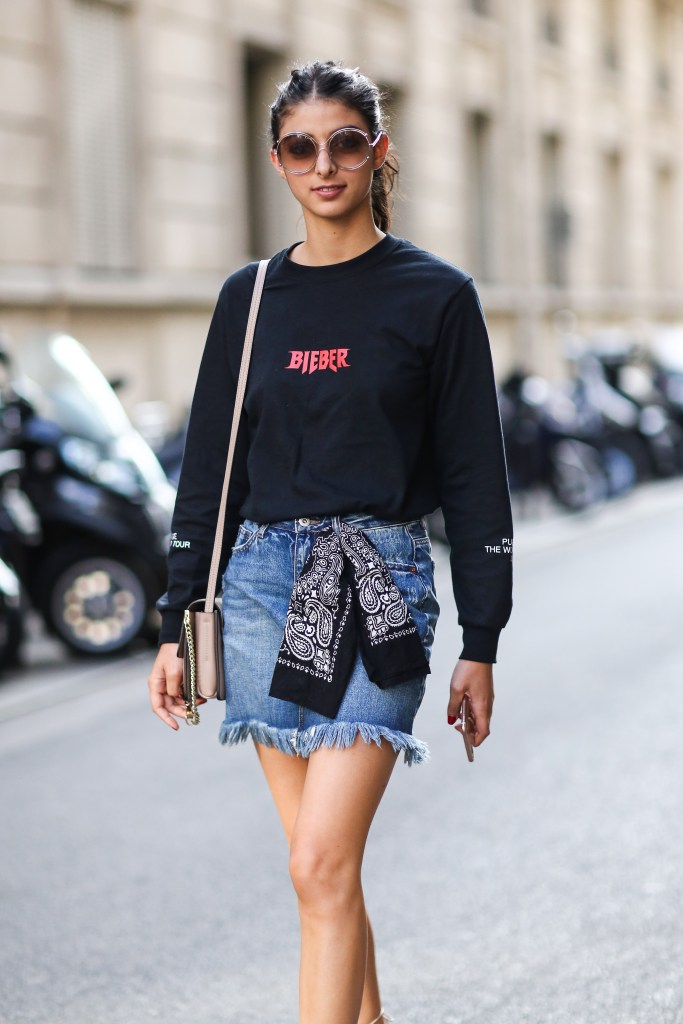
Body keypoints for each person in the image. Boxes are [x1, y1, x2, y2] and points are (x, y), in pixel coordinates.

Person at [147, 59, 513, 1024]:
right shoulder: (251, 297)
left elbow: (476, 479)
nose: (324, 163)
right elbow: (207, 471)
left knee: (316, 862)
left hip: (379, 586)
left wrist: (482, 640)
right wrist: (174, 616)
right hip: (264, 585)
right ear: (278, 161)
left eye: (344, 142)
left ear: (376, 152)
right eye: (302, 146)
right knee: (323, 873)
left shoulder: (435, 297)